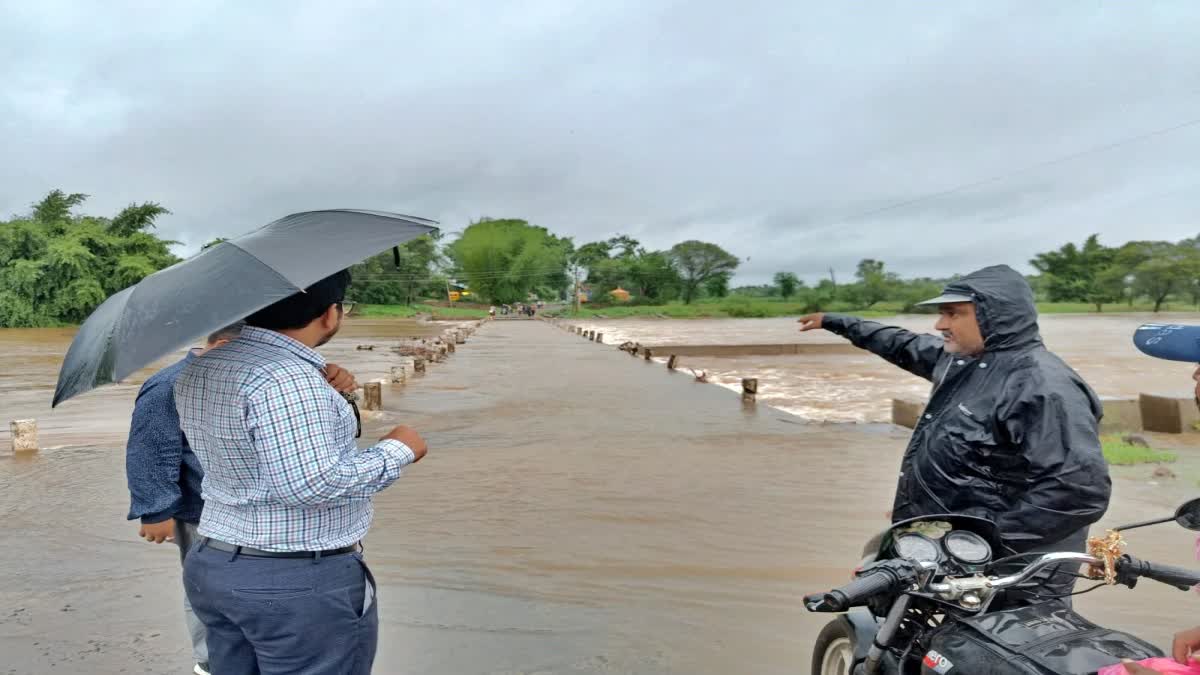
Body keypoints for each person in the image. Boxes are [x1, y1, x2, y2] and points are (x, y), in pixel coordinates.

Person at [798, 264, 1111, 601]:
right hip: (952, 554)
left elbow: (1078, 491)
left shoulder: (1042, 387)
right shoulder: (961, 362)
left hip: (1012, 574)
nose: (940, 324)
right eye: (941, 313)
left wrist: (975, 538)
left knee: (984, 651)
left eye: (953, 314)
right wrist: (838, 322)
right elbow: (902, 344)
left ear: (996, 316)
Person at [175, 269, 428, 674]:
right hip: (293, 579)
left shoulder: (204, 366)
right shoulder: (290, 380)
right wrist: (398, 450)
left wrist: (327, 390)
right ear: (331, 314)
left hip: (214, 563)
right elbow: (312, 484)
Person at [125, 322, 243, 675]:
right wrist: (156, 510)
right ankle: (210, 662)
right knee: (205, 590)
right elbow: (149, 449)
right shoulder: (168, 385)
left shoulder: (227, 380)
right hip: (198, 511)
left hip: (236, 508)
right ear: (221, 345)